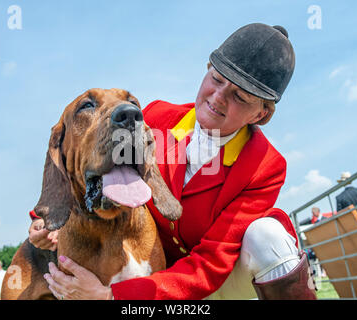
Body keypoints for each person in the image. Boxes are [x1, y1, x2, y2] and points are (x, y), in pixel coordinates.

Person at [29, 23, 316, 300]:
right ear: (206, 71)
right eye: (216, 80)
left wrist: (112, 297)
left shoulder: (266, 167)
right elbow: (88, 158)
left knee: (266, 236)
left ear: (260, 115)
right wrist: (45, 221)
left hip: (214, 283)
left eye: (239, 97)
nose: (217, 98)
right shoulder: (152, 117)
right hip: (150, 274)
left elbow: (210, 263)